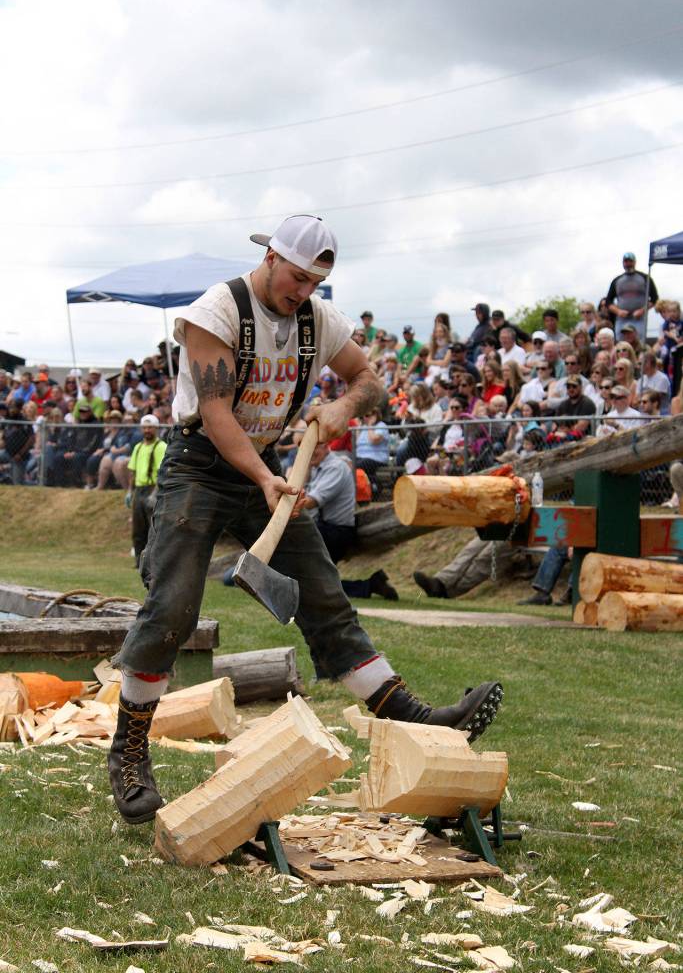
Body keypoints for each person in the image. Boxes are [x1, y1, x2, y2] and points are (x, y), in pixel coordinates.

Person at [107, 215, 503, 825]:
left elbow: (368, 379)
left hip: (267, 465)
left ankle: (413, 718)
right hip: (201, 465)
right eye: (296, 277)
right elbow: (214, 413)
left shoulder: (317, 320)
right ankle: (129, 752)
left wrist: (343, 404)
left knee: (323, 593)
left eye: (315, 282)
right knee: (174, 604)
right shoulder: (217, 312)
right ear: (270, 258)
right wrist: (265, 479)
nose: (302, 292)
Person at [300, 440, 398, 603]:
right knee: (312, 582)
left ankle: (370, 585)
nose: (309, 452)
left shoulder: (335, 468)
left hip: (335, 532)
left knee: (309, 584)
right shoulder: (318, 467)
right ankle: (371, 584)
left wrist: (285, 506)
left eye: (314, 446)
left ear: (326, 446)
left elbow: (311, 501)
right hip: (324, 529)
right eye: (305, 448)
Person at [127, 415, 167, 566]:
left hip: (152, 489)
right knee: (138, 528)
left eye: (150, 427)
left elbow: (162, 472)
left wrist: (155, 493)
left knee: (153, 528)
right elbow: (133, 471)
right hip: (139, 489)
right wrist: (130, 492)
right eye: (144, 427)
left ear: (156, 429)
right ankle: (139, 560)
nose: (147, 430)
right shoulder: (138, 447)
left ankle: (152, 561)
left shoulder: (161, 446)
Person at [606, 251, 658, 341]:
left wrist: (642, 310)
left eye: (630, 261)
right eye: (626, 261)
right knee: (620, 341)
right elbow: (608, 301)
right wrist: (618, 311)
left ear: (634, 262)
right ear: (623, 263)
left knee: (639, 340)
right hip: (622, 318)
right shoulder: (617, 280)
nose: (628, 264)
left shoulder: (645, 278)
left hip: (639, 318)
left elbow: (654, 299)